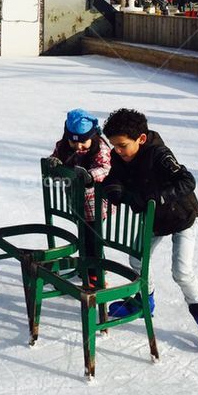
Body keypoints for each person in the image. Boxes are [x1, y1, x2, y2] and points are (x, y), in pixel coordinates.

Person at [101, 108, 198, 354]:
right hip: (155, 220)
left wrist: (158, 196)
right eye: (114, 146)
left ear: (141, 139)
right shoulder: (120, 157)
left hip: (182, 218)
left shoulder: (159, 154)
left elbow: (187, 181)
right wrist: (113, 188)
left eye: (122, 145)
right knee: (136, 259)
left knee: (182, 272)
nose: (117, 151)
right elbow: (114, 176)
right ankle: (143, 301)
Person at [47, 109, 111, 273]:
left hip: (96, 205)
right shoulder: (62, 147)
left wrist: (90, 176)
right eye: (73, 141)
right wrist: (54, 165)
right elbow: (55, 171)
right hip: (75, 202)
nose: (78, 146)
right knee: (83, 236)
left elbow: (106, 168)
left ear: (93, 136)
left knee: (92, 239)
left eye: (83, 141)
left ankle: (96, 272)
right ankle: (86, 266)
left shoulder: (100, 149)